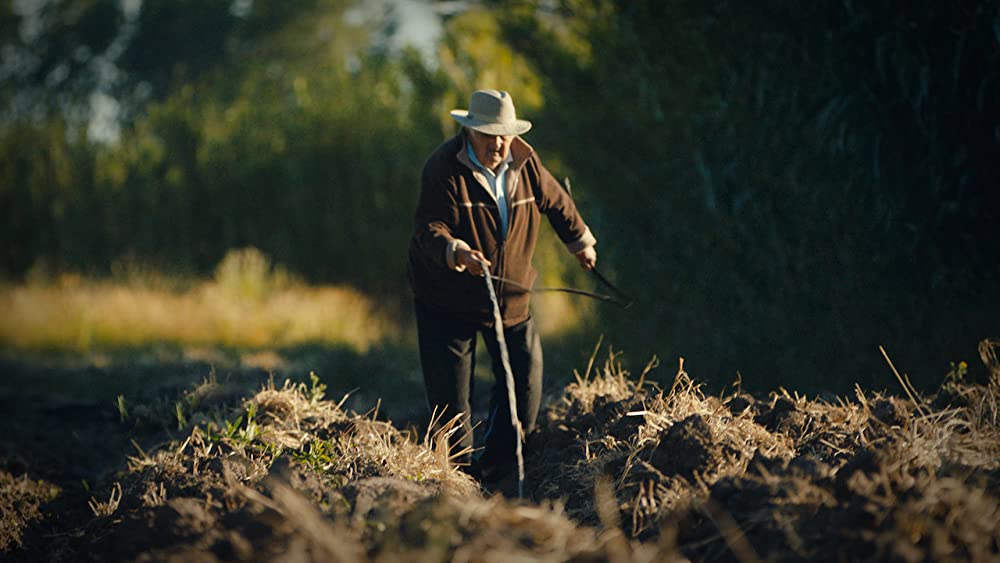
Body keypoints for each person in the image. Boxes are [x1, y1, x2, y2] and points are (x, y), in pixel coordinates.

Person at [407, 89, 598, 481]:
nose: (499, 143)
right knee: (451, 404)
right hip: (446, 299)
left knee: (525, 385)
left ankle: (500, 466)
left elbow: (557, 202)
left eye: (505, 134)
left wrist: (580, 243)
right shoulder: (443, 167)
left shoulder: (525, 163)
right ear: (471, 131)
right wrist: (457, 251)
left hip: (511, 296)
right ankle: (456, 478)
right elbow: (429, 228)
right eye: (491, 134)